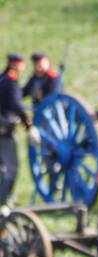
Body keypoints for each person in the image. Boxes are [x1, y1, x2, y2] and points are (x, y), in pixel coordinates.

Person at [0, 54, 31, 207]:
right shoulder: (11, 82)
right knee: (12, 168)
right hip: (5, 131)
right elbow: (15, 105)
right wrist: (27, 122)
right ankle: (3, 201)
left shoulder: (2, 78)